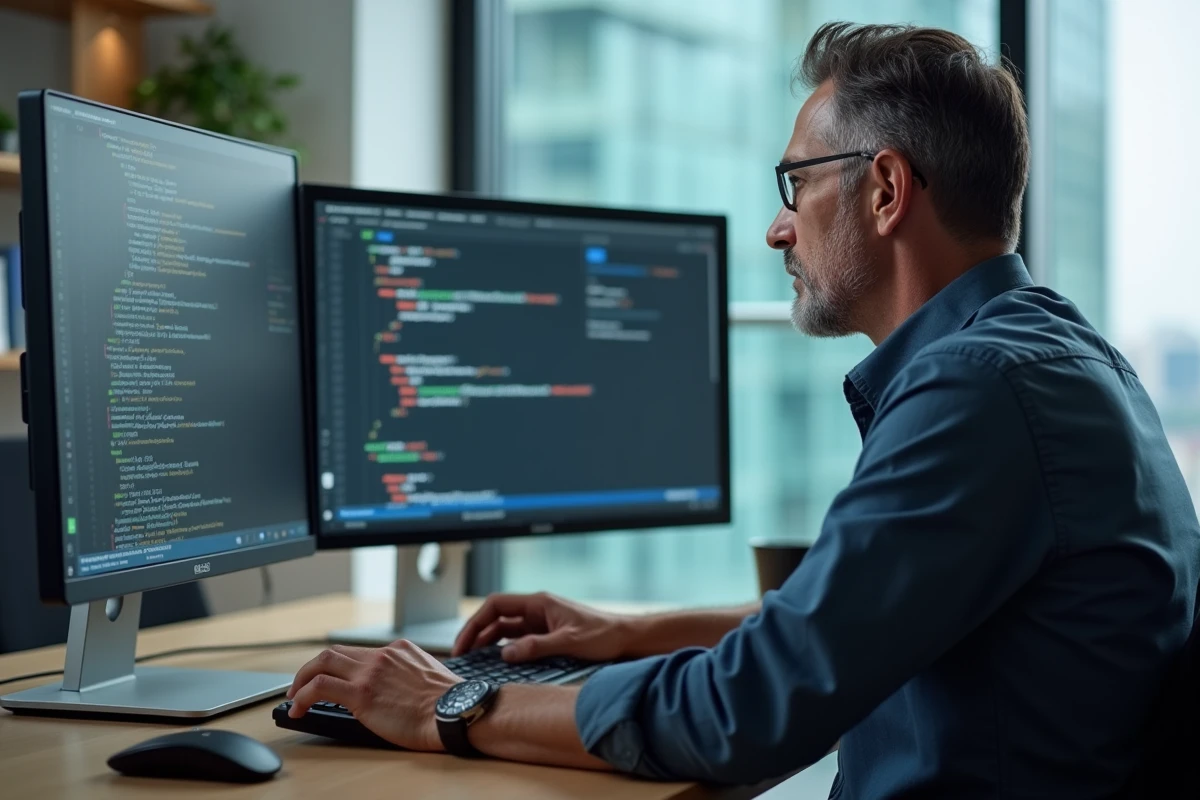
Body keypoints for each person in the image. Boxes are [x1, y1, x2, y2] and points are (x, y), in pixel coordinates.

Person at [287, 22, 1200, 797]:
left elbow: (747, 710)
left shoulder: (980, 390)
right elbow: (850, 625)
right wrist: (630, 632)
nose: (777, 227)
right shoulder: (1058, 356)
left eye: (796, 183)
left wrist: (451, 704)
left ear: (885, 190)